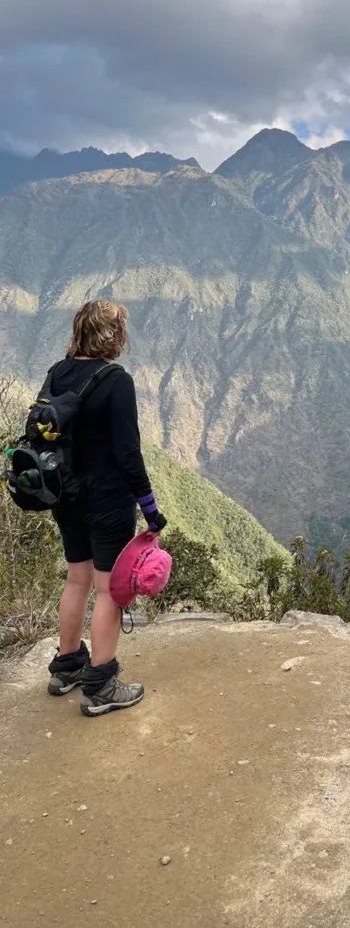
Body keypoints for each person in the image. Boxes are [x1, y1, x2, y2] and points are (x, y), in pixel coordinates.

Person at [46, 300, 167, 717]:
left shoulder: (57, 372)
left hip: (64, 495)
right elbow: (128, 454)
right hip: (107, 502)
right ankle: (100, 685)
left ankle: (67, 666)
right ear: (114, 335)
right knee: (108, 591)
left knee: (76, 580)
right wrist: (151, 510)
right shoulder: (116, 381)